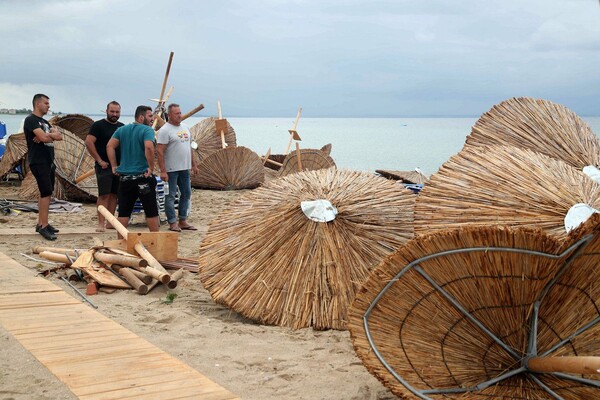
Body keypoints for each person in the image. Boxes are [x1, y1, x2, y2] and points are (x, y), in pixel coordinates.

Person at [106, 105, 159, 233]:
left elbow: (109, 146)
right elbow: (149, 147)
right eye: (150, 116)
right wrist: (151, 167)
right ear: (141, 117)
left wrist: (114, 165)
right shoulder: (147, 130)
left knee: (124, 212)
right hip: (143, 177)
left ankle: (121, 242)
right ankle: (156, 240)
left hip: (125, 179)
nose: (152, 119)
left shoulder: (122, 129)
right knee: (151, 211)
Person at [23, 94, 63, 241]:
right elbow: (46, 137)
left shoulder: (44, 121)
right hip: (38, 161)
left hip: (48, 160)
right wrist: (48, 135)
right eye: (46, 103)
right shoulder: (31, 120)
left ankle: (41, 223)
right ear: (38, 104)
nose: (48, 106)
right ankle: (44, 226)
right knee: (46, 192)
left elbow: (59, 136)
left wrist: (48, 135)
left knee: (46, 192)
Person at [157, 103, 199, 232]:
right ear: (169, 115)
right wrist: (163, 171)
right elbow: (159, 151)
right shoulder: (165, 130)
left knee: (186, 193)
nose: (179, 115)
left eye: (180, 113)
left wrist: (193, 164)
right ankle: (172, 222)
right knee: (170, 195)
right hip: (171, 169)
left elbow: (189, 148)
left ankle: (182, 220)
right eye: (176, 113)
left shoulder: (185, 128)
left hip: (184, 168)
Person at [85, 101, 124, 232]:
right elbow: (89, 142)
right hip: (104, 166)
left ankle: (110, 222)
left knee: (114, 195)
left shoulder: (122, 127)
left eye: (117, 112)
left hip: (119, 166)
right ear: (106, 111)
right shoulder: (98, 126)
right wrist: (99, 160)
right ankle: (101, 223)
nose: (114, 114)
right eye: (112, 111)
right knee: (104, 195)